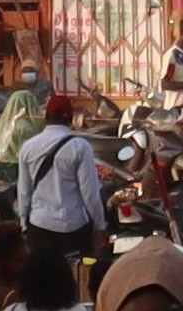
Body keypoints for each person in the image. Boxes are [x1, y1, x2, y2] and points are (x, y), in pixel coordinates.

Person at [15, 83, 115, 266]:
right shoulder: (80, 146)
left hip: (39, 225)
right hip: (74, 227)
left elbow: (23, 191)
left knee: (42, 278)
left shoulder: (28, 147)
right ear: (71, 118)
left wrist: (23, 223)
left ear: (46, 117)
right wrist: (100, 226)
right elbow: (90, 193)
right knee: (78, 278)